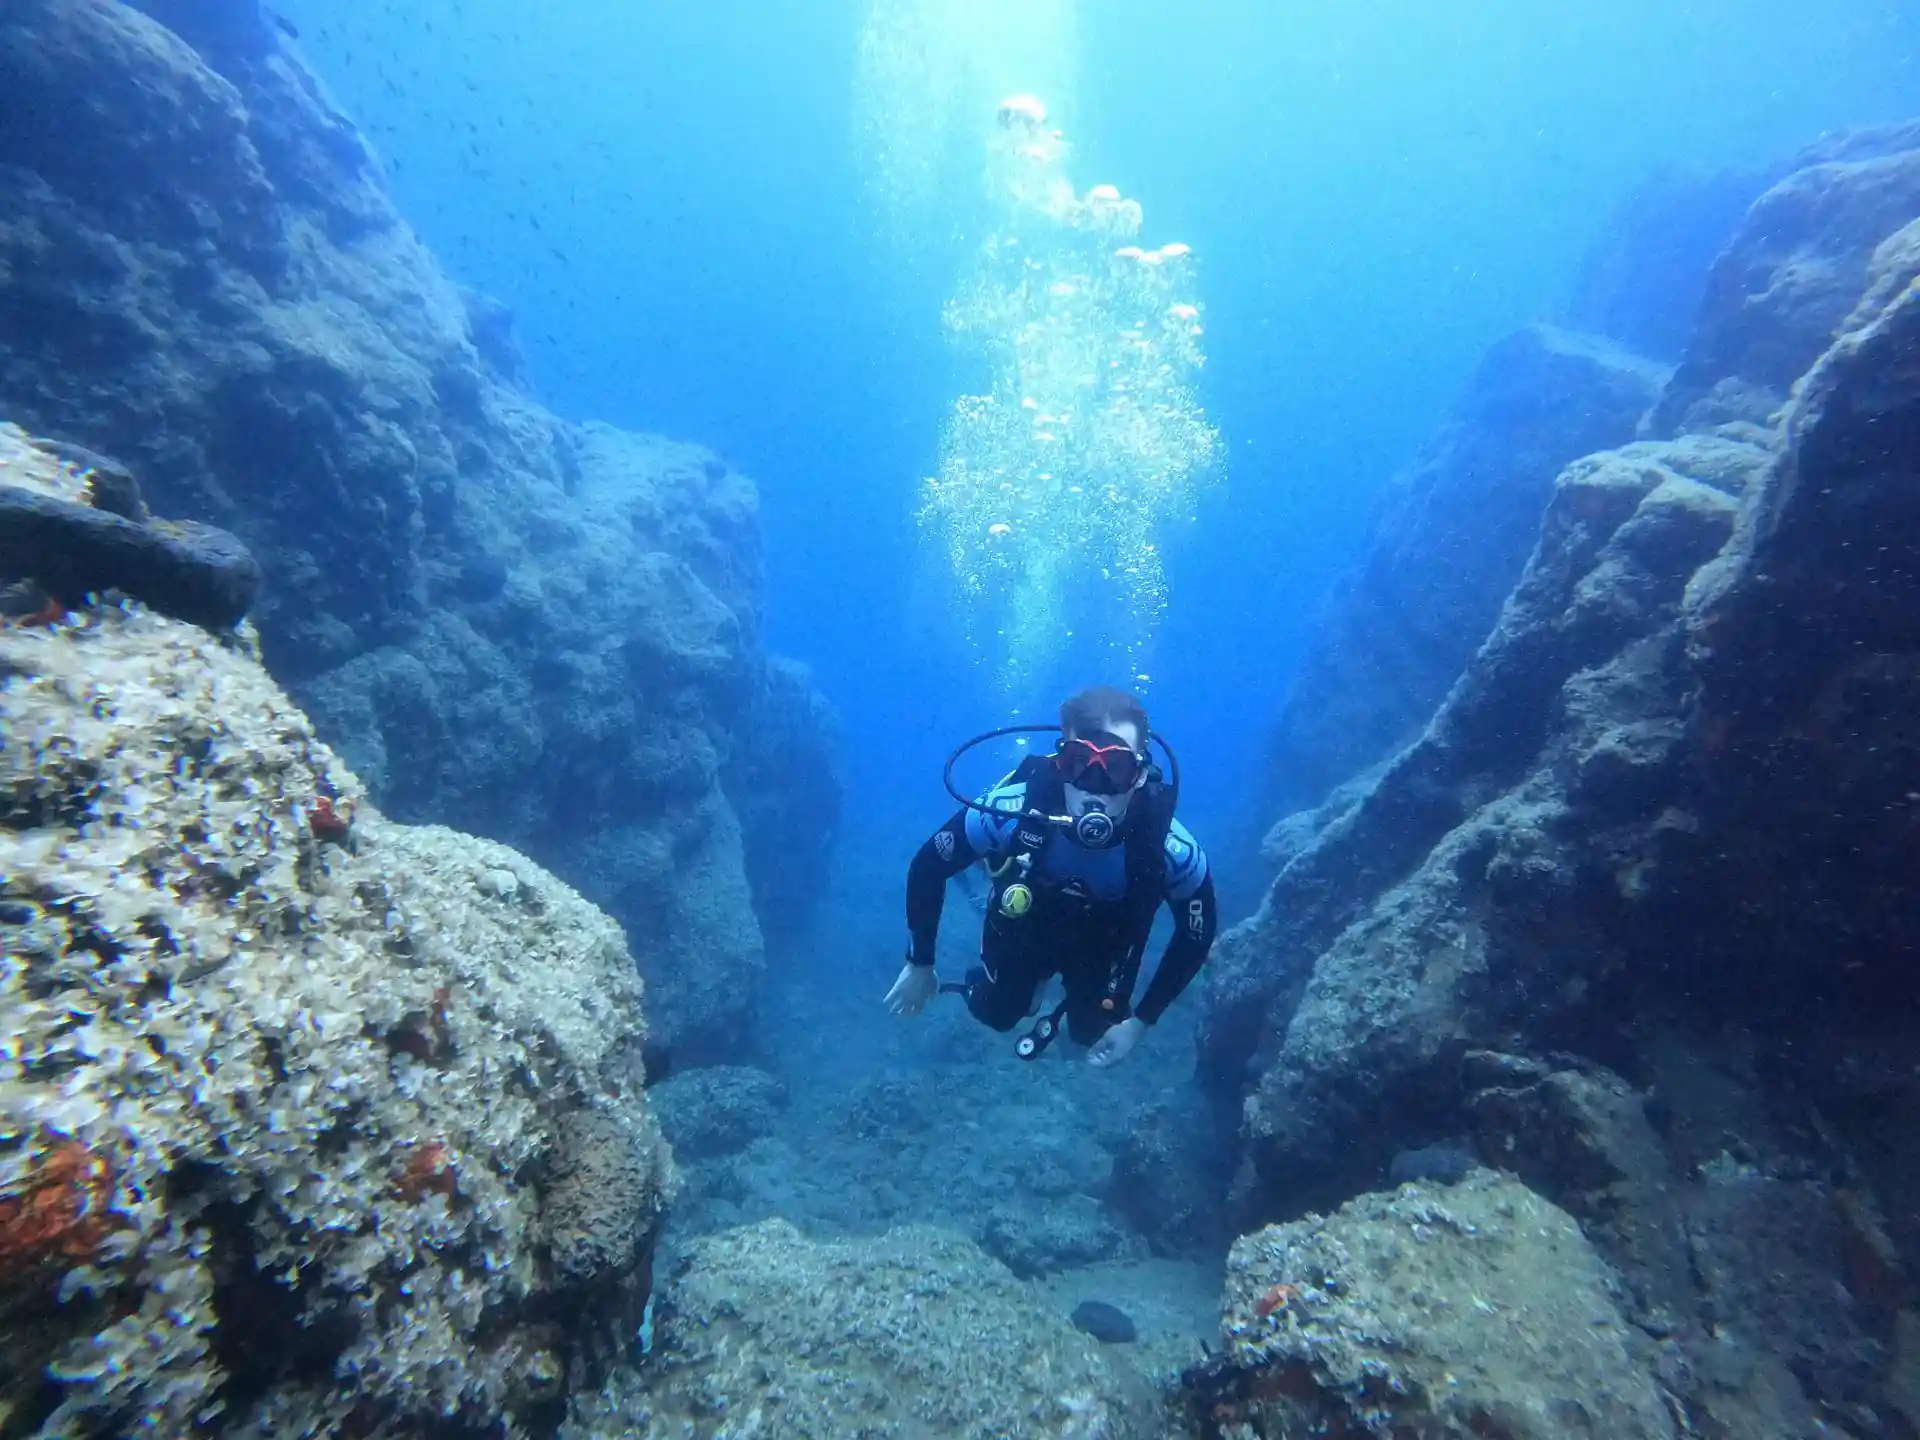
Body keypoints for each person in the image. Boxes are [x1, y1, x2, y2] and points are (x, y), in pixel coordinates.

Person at [885, 685, 1218, 1067]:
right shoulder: (1012, 810)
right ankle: (995, 915)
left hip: (1104, 944)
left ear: (1140, 775)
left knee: (1089, 1032)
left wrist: (1141, 1022)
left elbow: (1197, 933)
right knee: (996, 1013)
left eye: (1116, 768)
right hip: (1027, 925)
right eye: (1079, 762)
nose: (1095, 788)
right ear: (1058, 763)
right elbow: (930, 864)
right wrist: (920, 962)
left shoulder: (1169, 849)